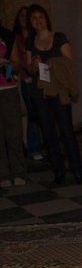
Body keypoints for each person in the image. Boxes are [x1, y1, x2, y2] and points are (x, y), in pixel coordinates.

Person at [25, 4, 82, 185]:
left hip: (59, 90)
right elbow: (28, 69)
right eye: (34, 18)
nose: (38, 20)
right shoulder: (30, 41)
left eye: (40, 16)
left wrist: (54, 61)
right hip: (40, 92)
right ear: (30, 22)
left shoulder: (59, 37)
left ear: (46, 18)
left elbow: (70, 62)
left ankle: (77, 171)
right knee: (49, 133)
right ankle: (59, 172)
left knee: (67, 131)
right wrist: (34, 65)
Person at [10, 6, 44, 161]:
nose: (24, 18)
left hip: (39, 77)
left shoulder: (34, 36)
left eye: (26, 15)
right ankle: (33, 148)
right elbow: (16, 61)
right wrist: (23, 75)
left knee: (43, 112)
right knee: (33, 113)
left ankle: (45, 144)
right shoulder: (14, 38)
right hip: (26, 79)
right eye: (21, 15)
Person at [1, 18, 27, 188]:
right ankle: (3, 174)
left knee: (14, 133)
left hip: (8, 90)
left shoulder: (7, 35)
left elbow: (17, 64)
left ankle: (18, 172)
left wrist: (7, 65)